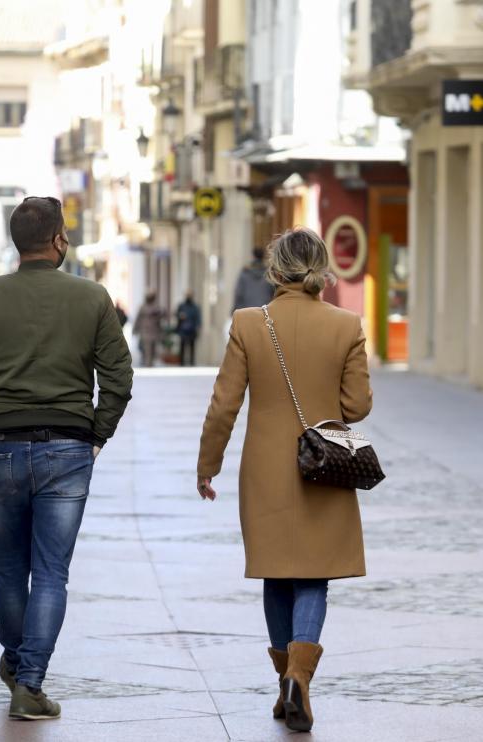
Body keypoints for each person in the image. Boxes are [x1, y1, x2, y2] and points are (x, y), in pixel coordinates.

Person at [0, 196, 133, 721]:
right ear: (59, 240)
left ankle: (19, 663)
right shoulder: (92, 298)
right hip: (68, 448)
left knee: (9, 568)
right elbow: (119, 378)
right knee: (50, 573)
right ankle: (31, 682)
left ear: (17, 243)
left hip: (0, 446)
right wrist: (99, 433)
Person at [196, 227, 372, 733]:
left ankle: (286, 684)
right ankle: (300, 678)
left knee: (276, 572)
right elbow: (357, 406)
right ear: (321, 270)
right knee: (313, 574)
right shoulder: (347, 324)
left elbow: (224, 403)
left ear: (274, 271)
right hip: (324, 466)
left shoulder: (250, 323)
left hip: (266, 468)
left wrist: (209, 463)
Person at [233, 246, 275, 312]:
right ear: (263, 256)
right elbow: (273, 293)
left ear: (253, 256)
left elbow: (239, 294)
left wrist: (234, 310)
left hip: (247, 312)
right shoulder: (269, 274)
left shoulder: (245, 273)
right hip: (265, 313)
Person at [134, 292, 164, 367]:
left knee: (153, 349)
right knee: (147, 349)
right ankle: (148, 364)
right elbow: (138, 319)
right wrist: (135, 329)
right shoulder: (142, 307)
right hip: (145, 332)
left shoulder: (156, 307)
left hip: (154, 331)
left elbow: (162, 316)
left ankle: (150, 363)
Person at [176, 293, 201, 366]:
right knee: (182, 346)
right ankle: (181, 362)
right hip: (183, 329)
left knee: (192, 346)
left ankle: (192, 362)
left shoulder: (195, 307)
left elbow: (198, 318)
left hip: (192, 330)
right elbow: (177, 314)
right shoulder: (182, 306)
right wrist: (180, 316)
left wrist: (197, 326)